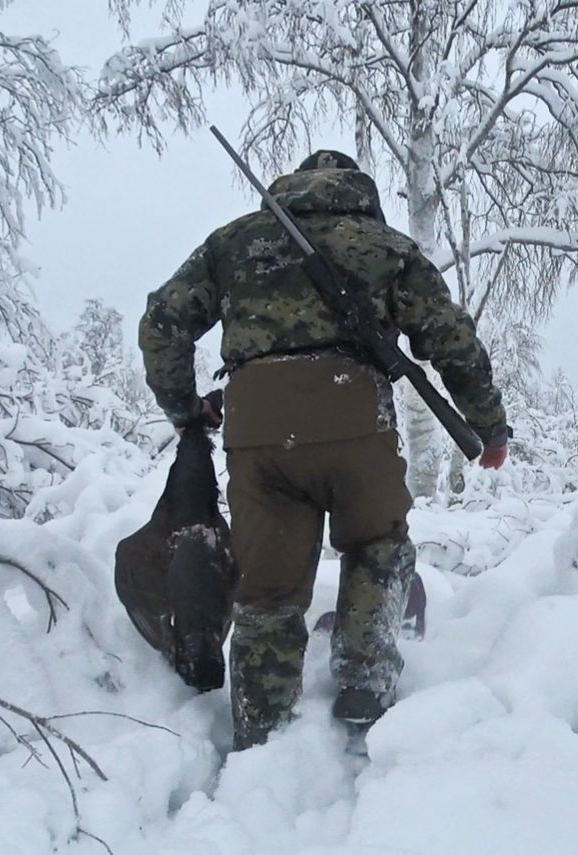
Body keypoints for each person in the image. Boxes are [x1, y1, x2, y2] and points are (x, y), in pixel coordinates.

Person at [138, 149, 509, 750]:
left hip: (260, 435)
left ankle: (261, 733)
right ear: (355, 189)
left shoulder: (233, 243)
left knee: (269, 589)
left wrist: (185, 409)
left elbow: (161, 322)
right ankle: (365, 681)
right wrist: (488, 426)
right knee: (376, 547)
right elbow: (451, 336)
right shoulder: (386, 246)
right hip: (355, 419)